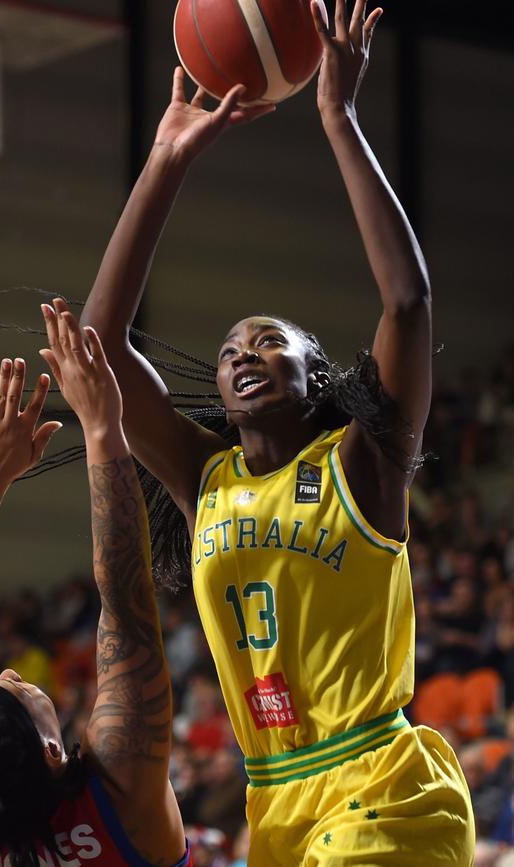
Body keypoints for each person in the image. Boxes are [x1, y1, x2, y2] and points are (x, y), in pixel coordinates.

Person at [42, 0, 475, 863]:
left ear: (318, 377)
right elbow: (100, 347)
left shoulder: (363, 462)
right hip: (274, 798)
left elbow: (408, 303)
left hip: (384, 787)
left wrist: (341, 120)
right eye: (231, 347)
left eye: (269, 342)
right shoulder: (207, 482)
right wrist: (165, 162)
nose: (242, 354)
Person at [0, 344, 191, 867]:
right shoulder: (118, 797)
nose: (11, 669)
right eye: (19, 687)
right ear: (50, 752)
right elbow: (126, 604)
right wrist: (102, 427)